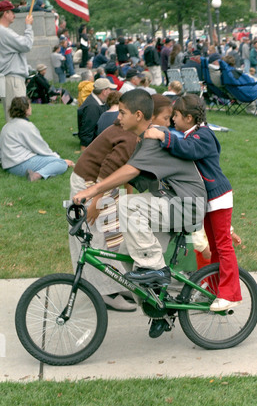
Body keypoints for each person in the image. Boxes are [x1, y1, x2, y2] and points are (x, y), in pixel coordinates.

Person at [73, 89, 207, 338]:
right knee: (127, 257)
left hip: (186, 205)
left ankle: (154, 268)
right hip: (169, 206)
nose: (117, 117)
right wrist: (99, 196)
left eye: (122, 113)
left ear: (138, 114)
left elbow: (129, 172)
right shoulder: (141, 141)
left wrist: (92, 191)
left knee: (128, 206)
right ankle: (162, 308)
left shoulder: (154, 138)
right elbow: (127, 177)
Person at [144, 94, 242, 312]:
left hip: (218, 197)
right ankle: (215, 290)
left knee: (223, 247)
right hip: (208, 200)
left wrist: (162, 136)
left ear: (189, 118)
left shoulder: (203, 135)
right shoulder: (192, 134)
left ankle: (230, 293)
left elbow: (187, 149)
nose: (172, 121)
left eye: (176, 116)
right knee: (215, 247)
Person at [69, 120, 138, 312]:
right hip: (89, 185)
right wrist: (96, 202)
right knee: (94, 239)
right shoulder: (130, 137)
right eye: (165, 118)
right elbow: (107, 169)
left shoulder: (139, 134)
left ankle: (116, 284)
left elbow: (128, 171)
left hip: (104, 186)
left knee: (113, 236)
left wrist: (127, 198)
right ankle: (104, 292)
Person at [0, 96, 74, 180]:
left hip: (8, 165)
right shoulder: (26, 126)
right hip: (19, 164)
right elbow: (40, 148)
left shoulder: (6, 126)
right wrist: (58, 158)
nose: (31, 108)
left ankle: (38, 173)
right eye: (30, 106)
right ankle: (37, 175)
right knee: (60, 164)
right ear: (25, 109)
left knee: (52, 159)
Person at [0, 0, 34, 121]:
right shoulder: (3, 31)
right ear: (5, 13)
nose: (14, 15)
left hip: (8, 78)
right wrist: (28, 26)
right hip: (12, 79)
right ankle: (14, 139)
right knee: (17, 116)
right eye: (12, 12)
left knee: (13, 115)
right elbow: (26, 45)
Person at [77, 78, 117, 151]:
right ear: (104, 91)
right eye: (110, 89)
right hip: (96, 143)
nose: (112, 92)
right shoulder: (92, 107)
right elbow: (87, 130)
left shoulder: (98, 101)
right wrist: (84, 147)